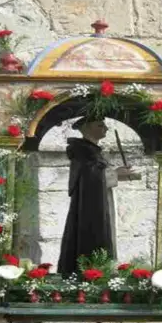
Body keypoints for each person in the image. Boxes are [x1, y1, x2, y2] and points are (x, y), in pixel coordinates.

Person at [58, 116, 116, 275]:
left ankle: (98, 270)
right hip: (89, 205)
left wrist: (116, 174)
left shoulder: (92, 151)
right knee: (91, 233)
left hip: (98, 200)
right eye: (100, 125)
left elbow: (98, 174)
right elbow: (91, 177)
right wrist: (116, 174)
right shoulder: (84, 151)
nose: (106, 129)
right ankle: (89, 272)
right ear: (88, 128)